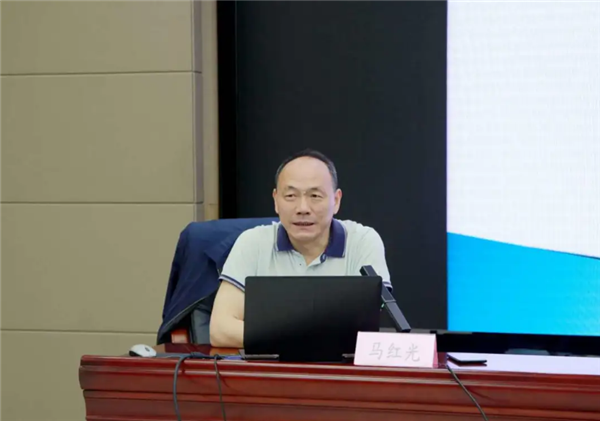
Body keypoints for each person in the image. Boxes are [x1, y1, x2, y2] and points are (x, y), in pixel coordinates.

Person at [209, 149, 392, 348]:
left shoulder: (363, 241)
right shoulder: (252, 243)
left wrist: (279, 335)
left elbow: (364, 332)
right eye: (291, 195)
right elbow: (220, 330)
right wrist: (305, 339)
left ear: (336, 200)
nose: (303, 208)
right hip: (270, 365)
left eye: (315, 196)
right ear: (276, 200)